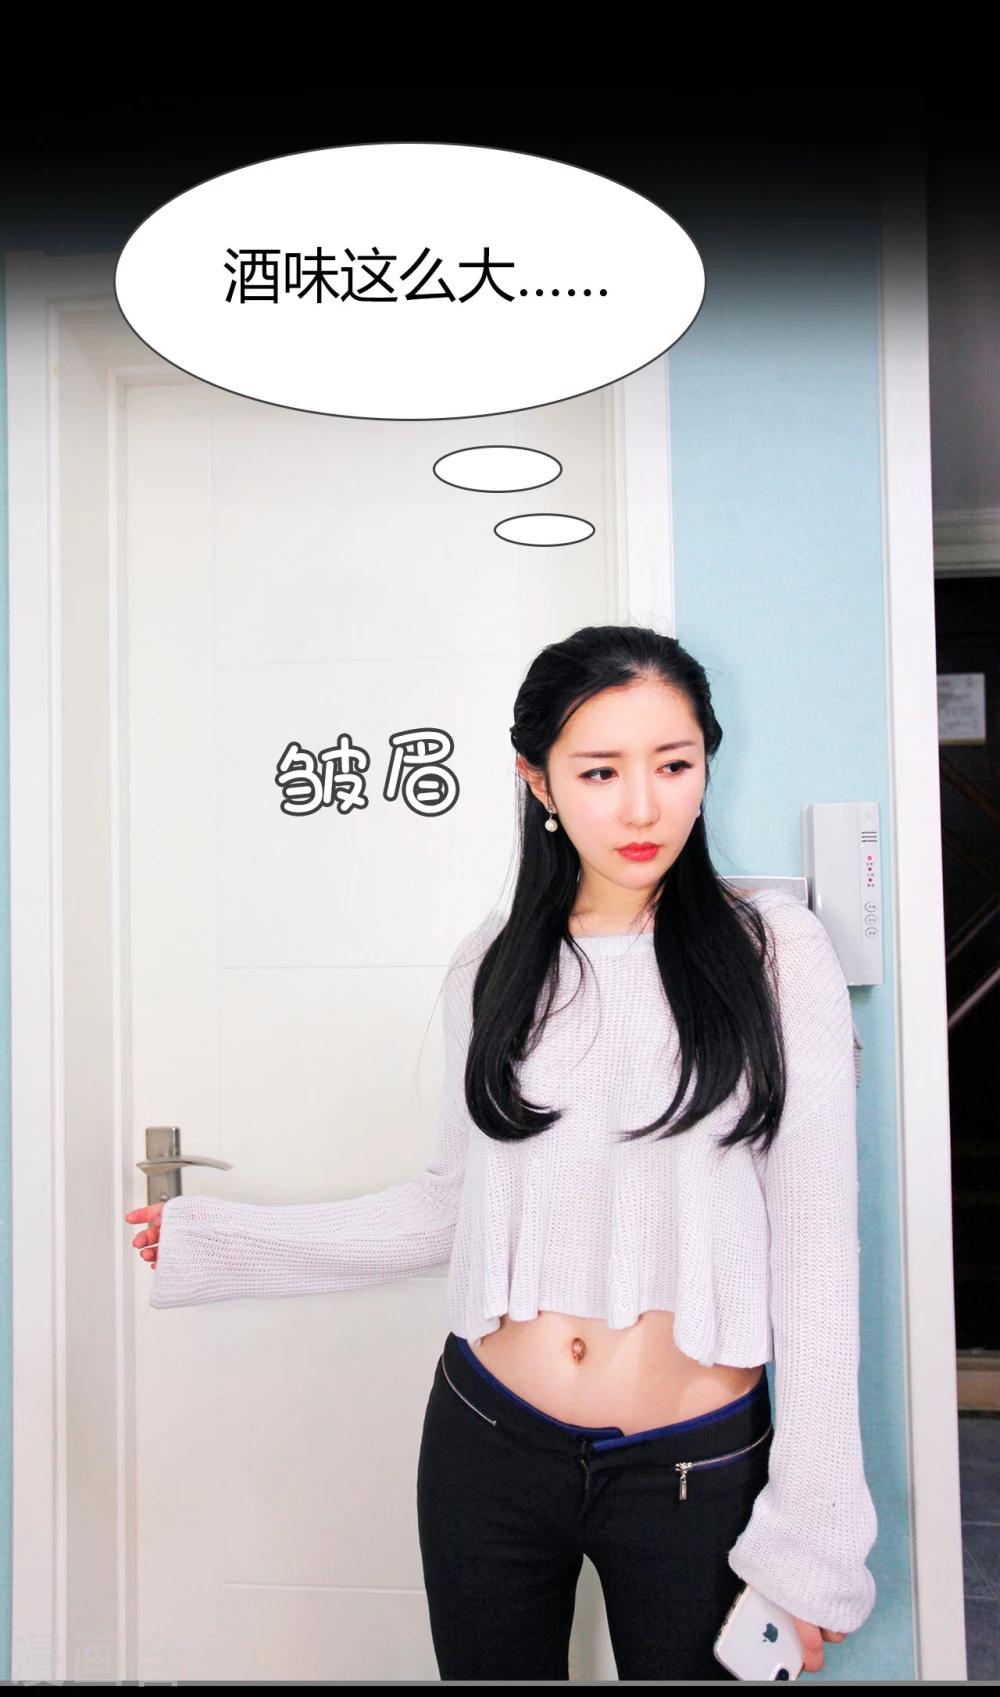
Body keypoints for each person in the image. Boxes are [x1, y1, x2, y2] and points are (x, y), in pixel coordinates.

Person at [126, 623, 878, 1681]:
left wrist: (816, 1542)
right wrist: (223, 1242)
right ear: (538, 780)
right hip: (487, 1442)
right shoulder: (493, 967)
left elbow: (816, 1251)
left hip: (695, 1467)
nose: (642, 806)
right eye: (600, 770)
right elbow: (451, 1204)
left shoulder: (774, 953)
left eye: (672, 765)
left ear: (707, 765)